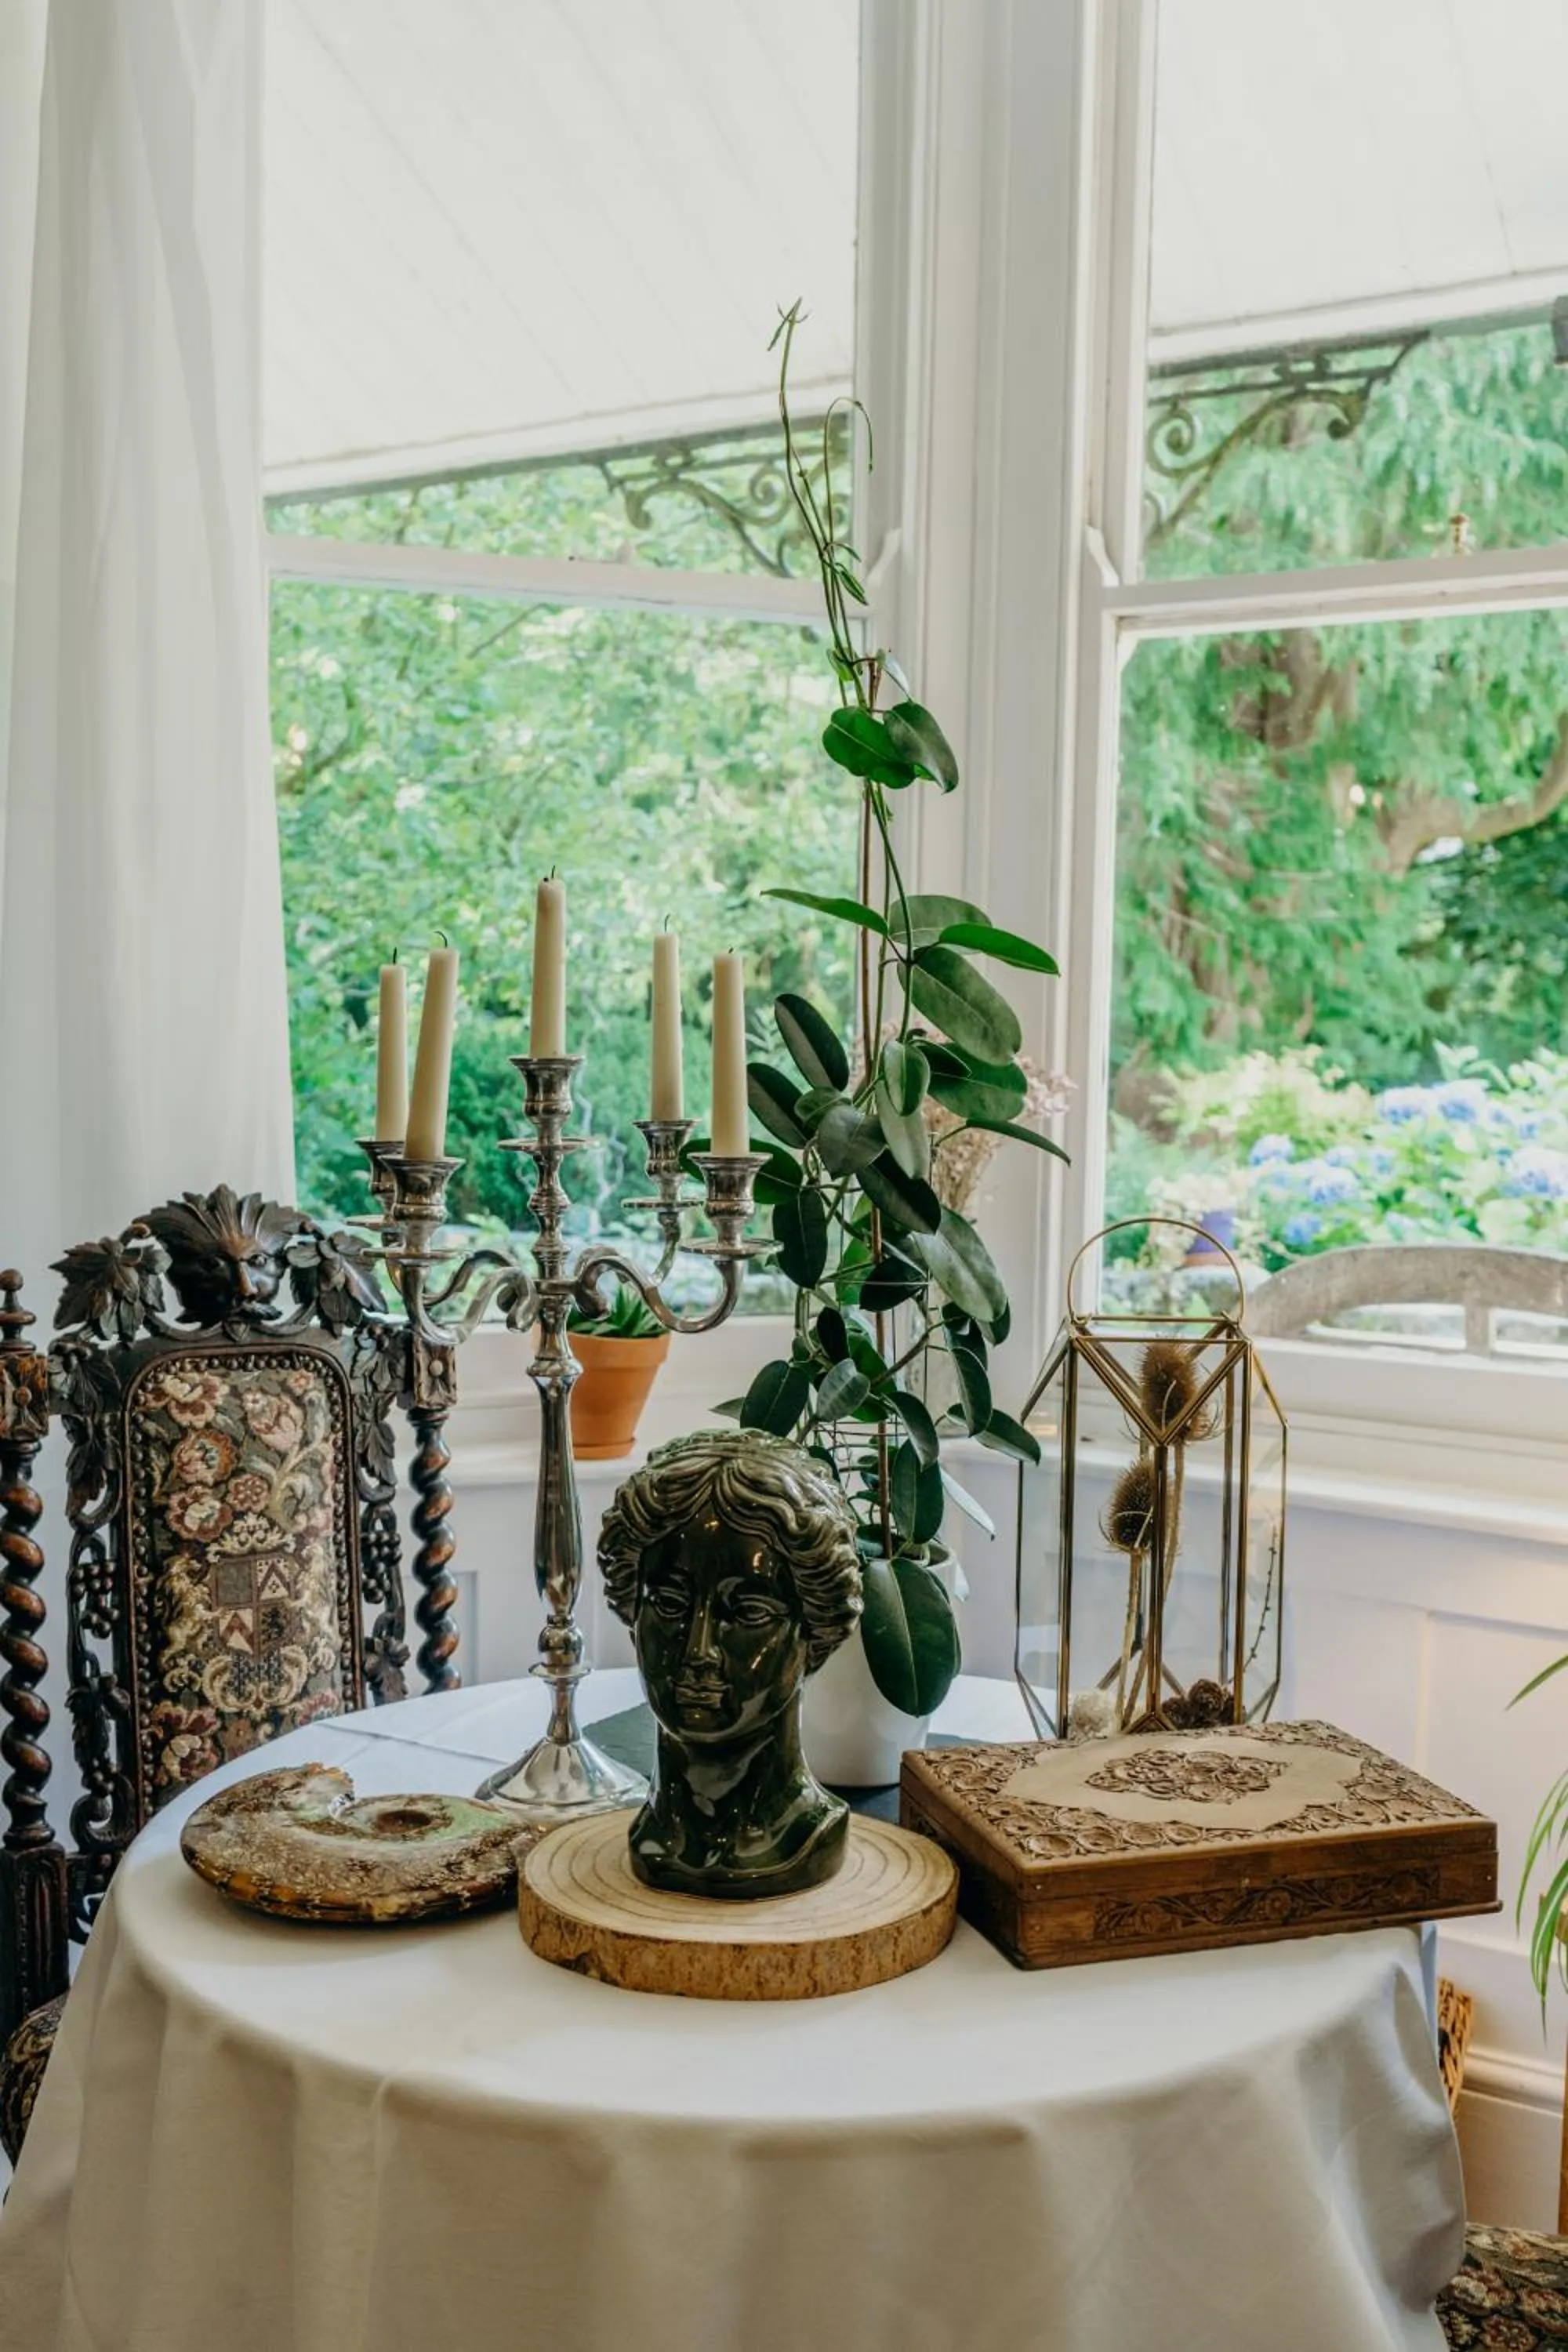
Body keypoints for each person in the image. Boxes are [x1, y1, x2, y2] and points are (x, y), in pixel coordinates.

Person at [598, 1428, 862, 1897]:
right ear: (632, 1613)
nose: (698, 1652)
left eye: (749, 1613)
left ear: (815, 1630)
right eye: (670, 1605)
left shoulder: (807, 1839)